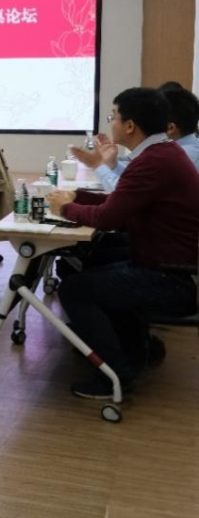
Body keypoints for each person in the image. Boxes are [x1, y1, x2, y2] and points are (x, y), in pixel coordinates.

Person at [48, 88, 199, 399]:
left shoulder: (154, 161)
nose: (111, 123)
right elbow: (122, 201)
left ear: (130, 125)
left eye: (113, 117)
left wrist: (64, 208)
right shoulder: (163, 153)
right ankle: (136, 350)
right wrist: (78, 196)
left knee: (74, 289)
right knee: (91, 265)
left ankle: (114, 374)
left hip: (170, 278)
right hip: (171, 266)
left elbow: (108, 218)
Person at [71, 85, 199, 190]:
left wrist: (97, 165)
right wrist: (112, 164)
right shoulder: (169, 150)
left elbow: (126, 193)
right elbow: (135, 180)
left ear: (170, 128)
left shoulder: (178, 153)